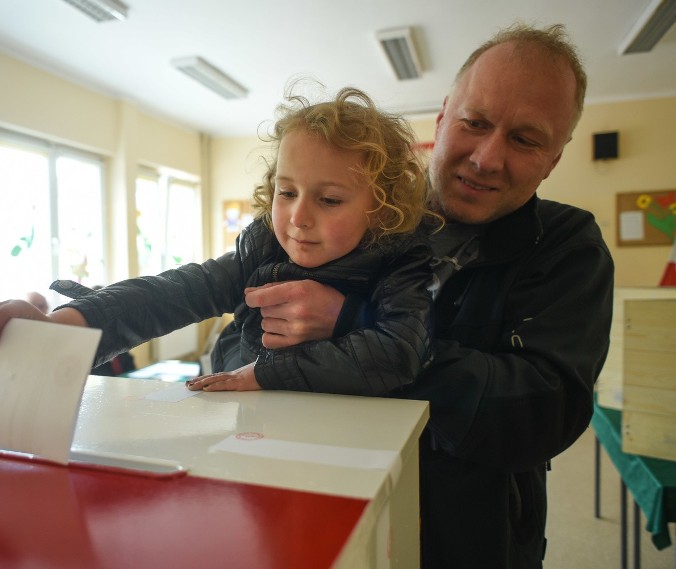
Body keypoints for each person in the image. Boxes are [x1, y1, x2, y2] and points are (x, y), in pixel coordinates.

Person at [235, 24, 615, 569]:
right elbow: (233, 348)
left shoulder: (567, 246)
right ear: (441, 119)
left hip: (470, 538)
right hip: (311, 504)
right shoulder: (354, 212)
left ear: (553, 159)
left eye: (525, 139)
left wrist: (356, 328)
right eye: (474, 123)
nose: (486, 157)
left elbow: (544, 411)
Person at [0, 86, 437, 396]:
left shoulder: (400, 262)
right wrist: (63, 324)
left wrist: (263, 373)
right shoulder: (263, 249)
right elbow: (172, 293)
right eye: (286, 192)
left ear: (381, 208)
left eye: (330, 200)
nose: (297, 218)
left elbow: (399, 351)